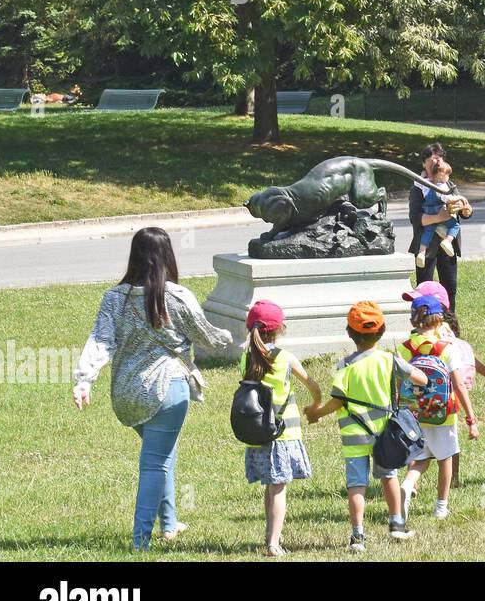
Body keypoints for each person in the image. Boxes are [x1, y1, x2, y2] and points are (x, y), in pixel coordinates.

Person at [72, 227, 233, 552]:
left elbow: (101, 340)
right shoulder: (177, 296)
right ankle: (140, 541)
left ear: (134, 256)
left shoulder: (114, 297)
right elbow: (210, 338)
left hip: (128, 394)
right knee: (155, 463)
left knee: (162, 453)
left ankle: (170, 524)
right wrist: (237, 334)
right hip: (168, 390)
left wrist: (84, 380)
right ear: (167, 256)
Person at [304, 301, 430, 550]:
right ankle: (397, 525)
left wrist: (317, 413)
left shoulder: (344, 366)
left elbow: (338, 401)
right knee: (389, 476)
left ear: (350, 334)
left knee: (357, 484)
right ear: (381, 330)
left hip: (354, 435)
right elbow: (422, 378)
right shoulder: (388, 360)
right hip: (385, 433)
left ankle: (357, 536)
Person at [238, 300, 319, 557]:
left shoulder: (246, 357)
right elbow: (312, 385)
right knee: (279, 488)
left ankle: (269, 533)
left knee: (270, 485)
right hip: (283, 434)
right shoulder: (285, 358)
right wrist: (316, 403)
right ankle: (274, 542)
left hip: (258, 432)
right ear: (279, 328)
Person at [396, 294, 478, 521]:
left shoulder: (404, 349)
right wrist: (471, 418)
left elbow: (398, 384)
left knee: (421, 457)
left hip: (414, 414)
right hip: (444, 413)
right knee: (445, 459)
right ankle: (441, 506)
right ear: (439, 319)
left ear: (413, 320)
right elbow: (459, 384)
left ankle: (407, 484)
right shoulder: (446, 348)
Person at [408, 142, 473, 307]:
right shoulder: (418, 187)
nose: (436, 167)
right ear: (424, 164)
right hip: (426, 245)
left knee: (450, 289)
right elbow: (415, 218)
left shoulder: (448, 185)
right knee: (424, 289)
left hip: (447, 245)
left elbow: (463, 210)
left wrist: (465, 210)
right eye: (432, 163)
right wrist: (439, 217)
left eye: (439, 163)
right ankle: (424, 322)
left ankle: (450, 326)